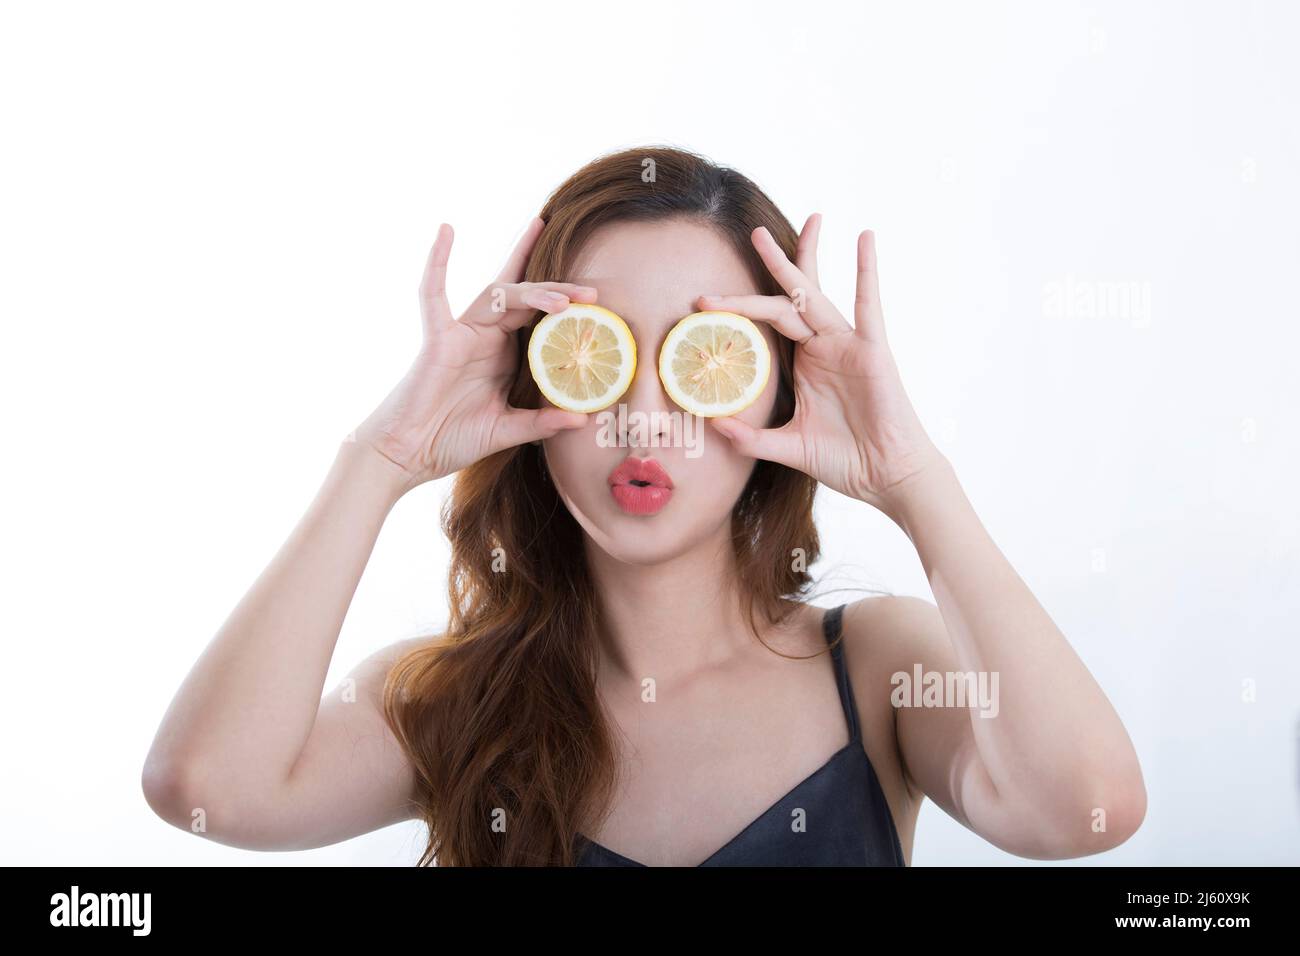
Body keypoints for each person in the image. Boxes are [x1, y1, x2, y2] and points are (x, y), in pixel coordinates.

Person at [141, 145, 1147, 866]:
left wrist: (913, 479)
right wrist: (379, 456)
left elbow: (1089, 809)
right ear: (535, 379)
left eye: (700, 356)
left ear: (780, 388)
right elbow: (203, 791)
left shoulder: (880, 668)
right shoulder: (448, 699)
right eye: (599, 352)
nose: (642, 415)